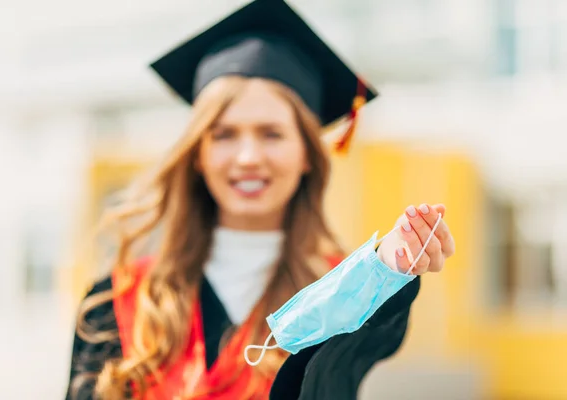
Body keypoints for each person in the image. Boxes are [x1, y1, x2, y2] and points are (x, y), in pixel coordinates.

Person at [65, 0, 456, 399]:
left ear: (306, 153)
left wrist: (388, 269)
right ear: (198, 155)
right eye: (224, 135)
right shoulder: (120, 299)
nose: (248, 157)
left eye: (271, 134)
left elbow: (357, 353)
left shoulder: (341, 291)